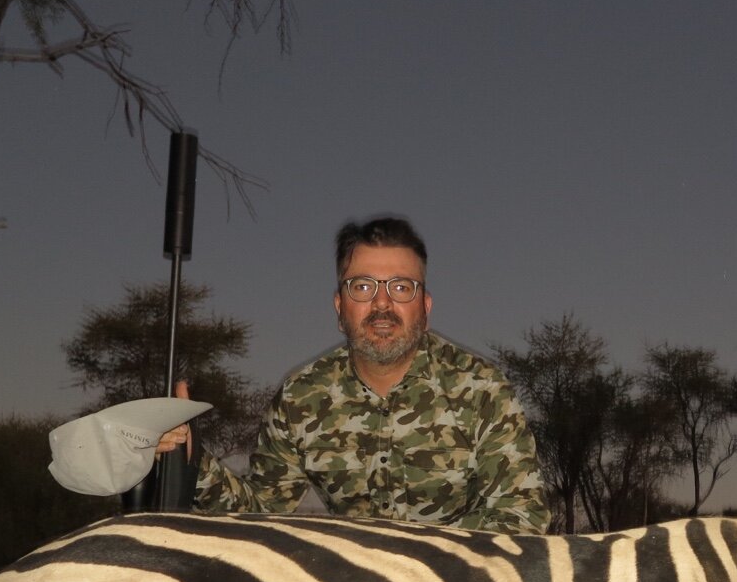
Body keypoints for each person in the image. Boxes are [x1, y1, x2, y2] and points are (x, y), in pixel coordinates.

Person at [158, 215, 550, 534]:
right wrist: (193, 459)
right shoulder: (300, 398)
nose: (382, 303)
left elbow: (523, 518)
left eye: (401, 287)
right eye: (362, 286)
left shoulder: (482, 389)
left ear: (425, 307)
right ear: (339, 306)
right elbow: (259, 513)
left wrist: (416, 558)